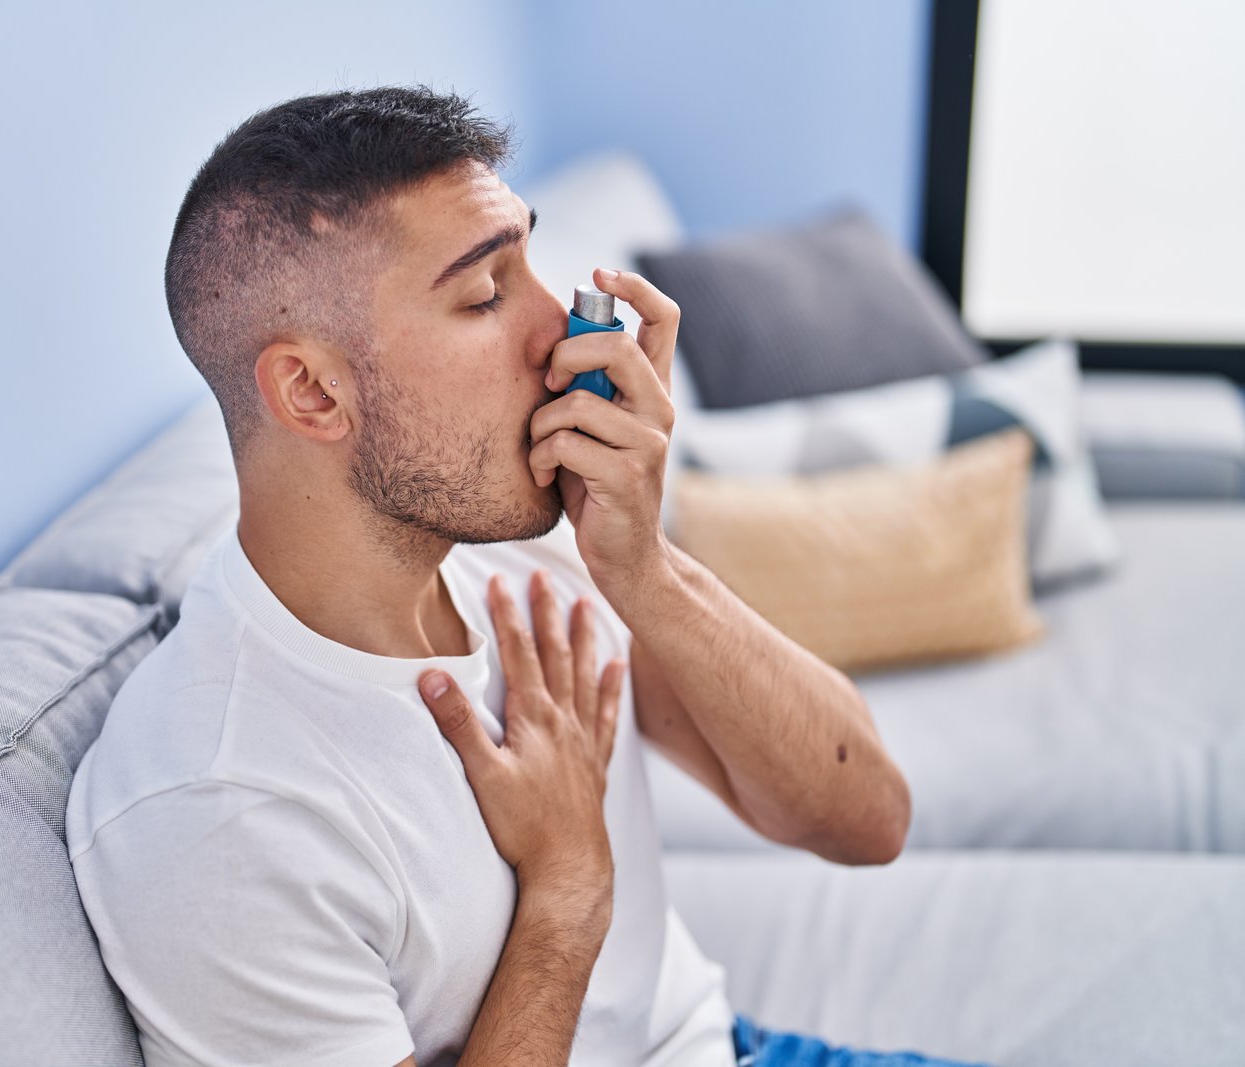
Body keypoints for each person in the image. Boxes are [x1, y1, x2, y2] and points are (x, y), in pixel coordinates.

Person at [65, 84, 981, 1067]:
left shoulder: (530, 537)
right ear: (311, 390)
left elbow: (866, 817)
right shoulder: (219, 813)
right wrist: (568, 887)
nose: (563, 332)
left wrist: (647, 571)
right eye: (485, 293)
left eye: (532, 264)